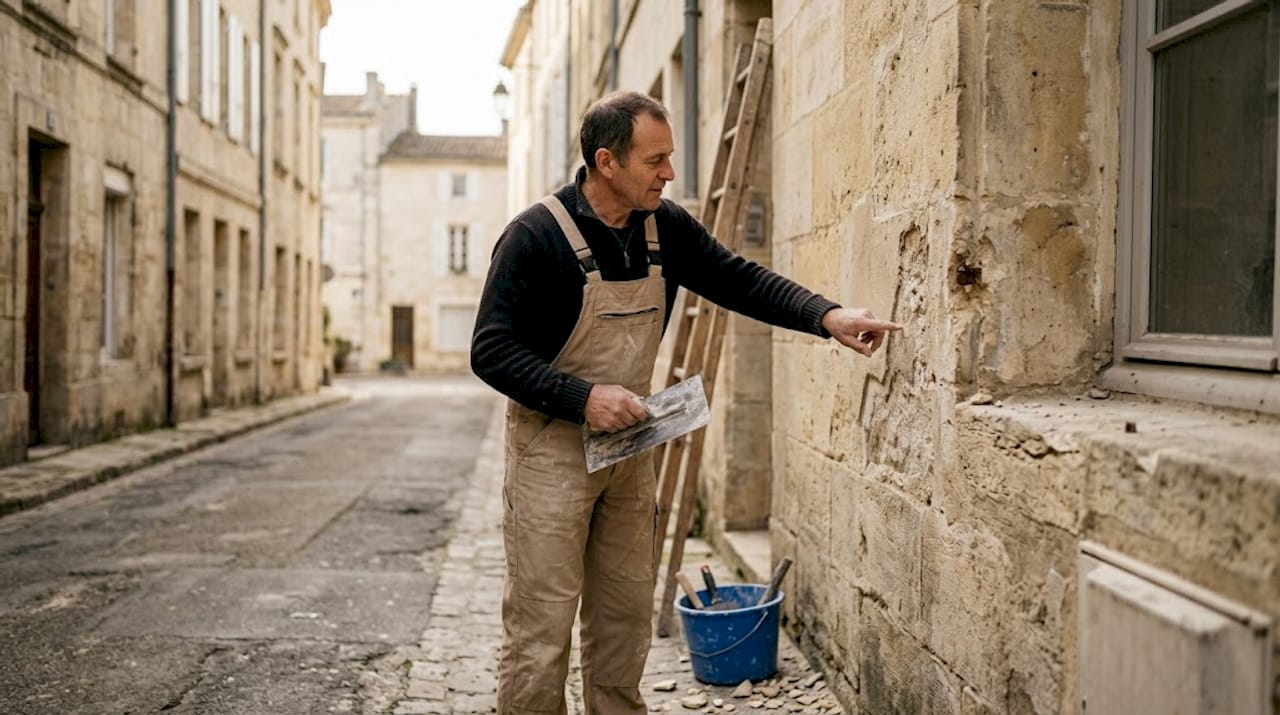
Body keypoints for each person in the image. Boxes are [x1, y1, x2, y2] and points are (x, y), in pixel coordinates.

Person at [471, 90, 902, 714]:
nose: (670, 173)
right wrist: (583, 396)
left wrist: (827, 315)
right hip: (551, 454)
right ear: (607, 162)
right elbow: (490, 349)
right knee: (541, 630)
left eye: (669, 157)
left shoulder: (663, 228)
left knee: (623, 618)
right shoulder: (535, 237)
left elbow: (738, 278)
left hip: (628, 451)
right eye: (656, 160)